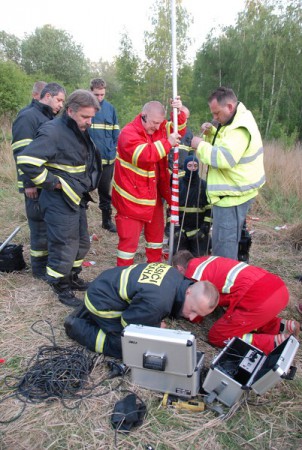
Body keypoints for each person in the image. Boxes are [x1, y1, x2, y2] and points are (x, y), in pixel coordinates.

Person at [17, 90, 102, 307]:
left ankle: (72, 277)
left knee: (81, 242)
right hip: (58, 199)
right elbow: (26, 161)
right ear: (70, 111)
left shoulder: (77, 128)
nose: (89, 121)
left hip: (76, 196)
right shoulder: (53, 131)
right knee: (64, 244)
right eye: (85, 116)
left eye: (91, 117)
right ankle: (60, 285)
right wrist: (51, 182)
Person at [64, 262, 219, 358]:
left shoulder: (175, 276)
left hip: (107, 283)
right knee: (129, 347)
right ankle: (76, 326)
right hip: (102, 302)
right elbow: (130, 326)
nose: (192, 318)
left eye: (198, 314)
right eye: (193, 310)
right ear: (189, 292)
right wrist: (155, 327)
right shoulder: (158, 303)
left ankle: (86, 313)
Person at [173, 250, 301, 354]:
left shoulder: (192, 275)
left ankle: (276, 343)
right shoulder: (207, 260)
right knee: (246, 318)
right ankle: (283, 327)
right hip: (277, 288)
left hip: (258, 298)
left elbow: (197, 312)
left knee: (218, 336)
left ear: (179, 269)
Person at [191, 87, 265, 260]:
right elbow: (224, 143)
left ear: (230, 107)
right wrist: (211, 134)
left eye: (217, 113)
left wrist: (200, 145)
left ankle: (224, 283)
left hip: (232, 197)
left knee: (224, 247)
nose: (215, 117)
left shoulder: (239, 128)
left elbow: (225, 158)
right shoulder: (234, 119)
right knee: (228, 241)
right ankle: (234, 273)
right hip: (234, 193)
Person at [112, 98, 187, 266]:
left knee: (156, 240)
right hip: (131, 199)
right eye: (154, 122)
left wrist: (179, 112)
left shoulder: (158, 128)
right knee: (128, 245)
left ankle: (153, 270)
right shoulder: (128, 133)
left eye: (160, 123)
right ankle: (122, 276)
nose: (157, 126)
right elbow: (145, 156)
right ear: (144, 116)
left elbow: (178, 129)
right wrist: (168, 143)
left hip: (153, 196)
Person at [12, 82, 66, 279]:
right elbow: (21, 152)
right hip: (34, 184)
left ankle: (47, 263)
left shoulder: (48, 117)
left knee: (48, 223)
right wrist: (29, 183)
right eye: (59, 100)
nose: (61, 105)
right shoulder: (28, 117)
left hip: (46, 181)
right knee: (38, 226)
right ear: (48, 96)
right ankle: (38, 269)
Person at [89, 78, 120, 232]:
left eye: (102, 94)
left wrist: (113, 148)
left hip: (107, 159)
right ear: (90, 92)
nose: (99, 98)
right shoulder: (84, 107)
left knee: (104, 192)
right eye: (96, 95)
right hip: (87, 160)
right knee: (81, 190)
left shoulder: (110, 109)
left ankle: (106, 221)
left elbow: (116, 132)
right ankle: (79, 222)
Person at [165, 155, 212, 256]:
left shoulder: (204, 185)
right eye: (190, 166)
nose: (193, 168)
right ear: (186, 167)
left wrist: (204, 230)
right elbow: (170, 210)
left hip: (198, 232)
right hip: (180, 231)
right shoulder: (178, 185)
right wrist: (175, 230)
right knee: (179, 259)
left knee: (199, 260)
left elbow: (209, 211)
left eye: (195, 166)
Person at [168, 105, 194, 176]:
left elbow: (191, 155)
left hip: (182, 175)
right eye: (182, 117)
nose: (185, 120)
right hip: (167, 175)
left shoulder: (189, 133)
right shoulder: (165, 128)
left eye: (186, 118)